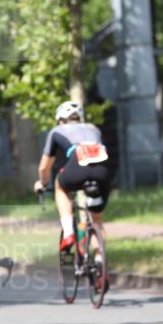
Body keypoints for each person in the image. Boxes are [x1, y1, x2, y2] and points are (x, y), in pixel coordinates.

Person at [33, 101, 111, 252]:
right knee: (96, 220)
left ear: (60, 119)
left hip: (77, 163)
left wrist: (42, 183)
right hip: (102, 169)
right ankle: (100, 262)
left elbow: (44, 167)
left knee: (60, 186)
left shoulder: (57, 130)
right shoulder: (93, 128)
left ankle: (68, 232)